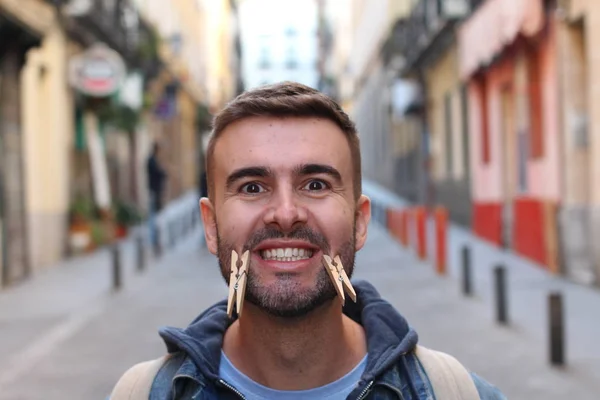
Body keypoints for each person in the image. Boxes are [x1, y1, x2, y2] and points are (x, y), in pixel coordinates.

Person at [111, 82, 505, 399]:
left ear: (359, 220)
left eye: (315, 185)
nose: (285, 213)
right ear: (211, 227)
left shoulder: (453, 393)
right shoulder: (145, 394)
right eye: (252, 187)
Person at [147, 142, 167, 254]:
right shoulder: (152, 161)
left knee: (156, 218)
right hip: (154, 192)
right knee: (154, 218)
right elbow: (160, 173)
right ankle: (154, 241)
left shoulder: (154, 161)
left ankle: (157, 241)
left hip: (156, 192)